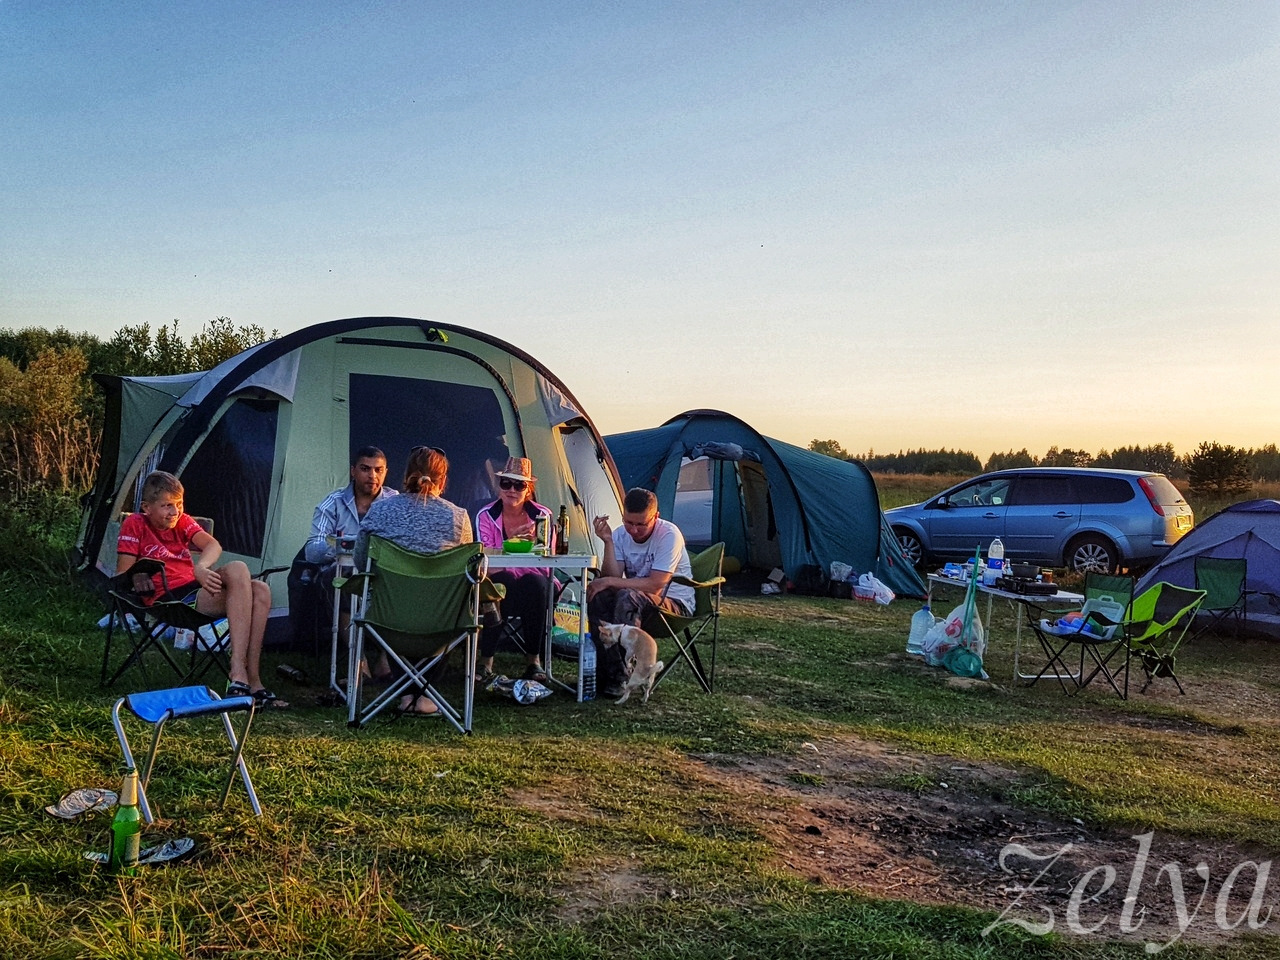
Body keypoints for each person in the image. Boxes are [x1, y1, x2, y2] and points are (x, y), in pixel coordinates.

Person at [116, 470, 288, 709]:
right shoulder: (135, 523)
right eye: (166, 505)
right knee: (239, 568)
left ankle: (253, 681)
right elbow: (121, 574)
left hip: (195, 587)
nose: (174, 512)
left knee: (260, 589)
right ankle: (238, 671)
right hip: (172, 599)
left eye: (178, 504)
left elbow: (212, 545)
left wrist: (202, 567)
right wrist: (138, 573)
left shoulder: (182, 521)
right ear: (147, 507)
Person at [356, 446, 473, 715]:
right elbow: (465, 571)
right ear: (442, 481)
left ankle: (407, 693)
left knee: (396, 603)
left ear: (405, 476)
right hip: (441, 620)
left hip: (387, 618)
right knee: (447, 608)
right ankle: (425, 695)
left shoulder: (379, 512)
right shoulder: (458, 517)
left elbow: (362, 563)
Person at [587, 487, 694, 698]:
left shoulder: (669, 535)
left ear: (656, 517)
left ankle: (622, 676)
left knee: (627, 596)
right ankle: (605, 672)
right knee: (599, 595)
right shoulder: (619, 534)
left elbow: (655, 584)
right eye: (628, 522)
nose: (633, 530)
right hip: (638, 602)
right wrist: (608, 542)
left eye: (641, 524)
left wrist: (608, 581)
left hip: (674, 604)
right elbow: (612, 576)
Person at [299, 446, 397, 676]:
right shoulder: (331, 503)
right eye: (365, 469)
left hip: (382, 574)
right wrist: (343, 546)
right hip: (344, 574)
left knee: (402, 580)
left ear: (385, 473)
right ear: (353, 471)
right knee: (338, 579)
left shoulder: (395, 503)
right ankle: (358, 658)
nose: (372, 476)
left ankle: (386, 659)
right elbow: (312, 552)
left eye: (378, 470)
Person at [473, 457, 556, 684]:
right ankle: (486, 660)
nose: (511, 490)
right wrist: (514, 542)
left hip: (533, 582)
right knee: (503, 582)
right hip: (500, 579)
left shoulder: (542, 517)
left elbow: (545, 557)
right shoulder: (485, 515)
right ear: (498, 486)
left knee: (535, 583)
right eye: (506, 484)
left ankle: (534, 661)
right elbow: (485, 558)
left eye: (519, 485)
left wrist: (524, 545)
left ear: (528, 489)